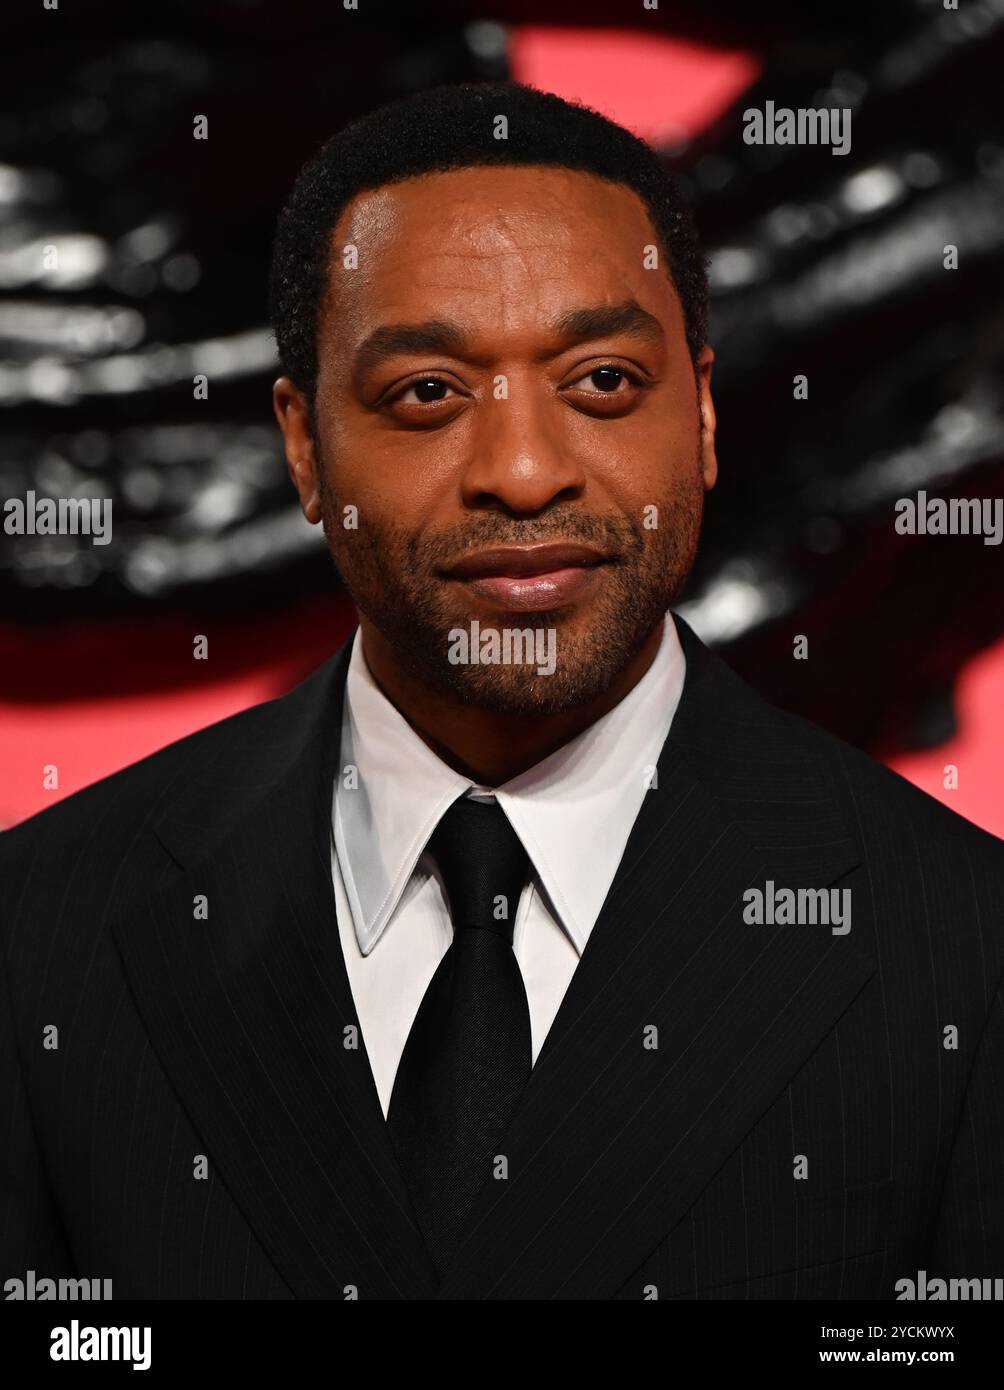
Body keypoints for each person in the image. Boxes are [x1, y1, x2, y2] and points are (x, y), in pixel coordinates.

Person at [2, 81, 1002, 1302]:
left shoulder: (962, 950)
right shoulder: (41, 933)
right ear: (304, 449)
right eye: (427, 392)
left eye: (601, 382)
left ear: (699, 414)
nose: (523, 472)